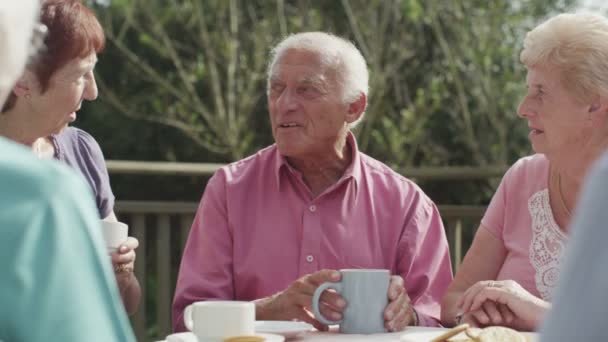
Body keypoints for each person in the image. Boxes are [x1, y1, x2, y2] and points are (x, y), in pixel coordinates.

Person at [172, 32, 453, 332]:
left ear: (354, 107)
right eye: (276, 89)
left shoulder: (408, 205)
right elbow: (187, 322)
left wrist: (407, 315)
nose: (284, 104)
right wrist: (269, 309)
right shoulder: (228, 190)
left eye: (307, 90)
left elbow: (439, 324)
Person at [441, 13, 608, 331]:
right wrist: (474, 314)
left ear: (595, 105)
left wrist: (540, 313)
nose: (523, 107)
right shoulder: (521, 179)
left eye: (541, 92)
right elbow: (453, 302)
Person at [0, 1, 135, 341]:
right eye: (80, 75)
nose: (93, 92)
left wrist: (119, 271)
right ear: (23, 79)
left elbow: (125, 303)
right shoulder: (48, 190)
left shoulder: (82, 151)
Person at [539, 152, 608, 341]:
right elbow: (455, 302)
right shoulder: (521, 175)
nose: (524, 119)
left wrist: (536, 311)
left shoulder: (604, 179)